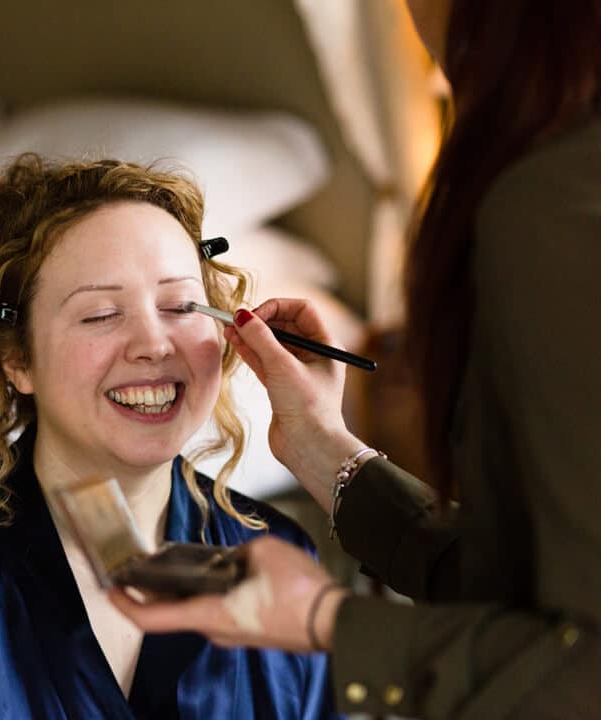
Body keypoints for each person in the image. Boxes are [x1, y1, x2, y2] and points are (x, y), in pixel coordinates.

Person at [109, 1, 601, 717]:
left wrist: (323, 621)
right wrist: (322, 446)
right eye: (98, 311)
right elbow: (535, 586)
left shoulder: (552, 207)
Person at [0, 154, 338, 718]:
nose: (154, 343)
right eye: (101, 314)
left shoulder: (281, 559)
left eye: (179, 305)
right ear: (17, 359)